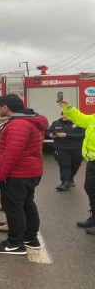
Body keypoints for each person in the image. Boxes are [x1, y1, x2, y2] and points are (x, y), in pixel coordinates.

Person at [0, 94, 48, 255]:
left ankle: (14, 243)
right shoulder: (30, 121)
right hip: (30, 171)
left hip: (18, 173)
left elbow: (12, 153)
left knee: (13, 208)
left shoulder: (17, 124)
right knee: (27, 204)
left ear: (5, 107)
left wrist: (1, 174)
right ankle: (30, 238)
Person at [59, 100, 95, 234]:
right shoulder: (92, 118)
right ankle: (94, 218)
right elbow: (79, 118)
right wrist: (68, 107)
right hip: (92, 161)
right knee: (90, 187)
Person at [47, 112, 85, 191]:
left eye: (66, 114)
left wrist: (67, 135)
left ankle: (70, 178)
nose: (64, 116)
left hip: (76, 148)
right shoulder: (56, 123)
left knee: (75, 165)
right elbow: (49, 131)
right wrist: (51, 135)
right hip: (61, 148)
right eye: (62, 114)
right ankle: (64, 182)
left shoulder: (79, 123)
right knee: (64, 165)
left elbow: (82, 135)